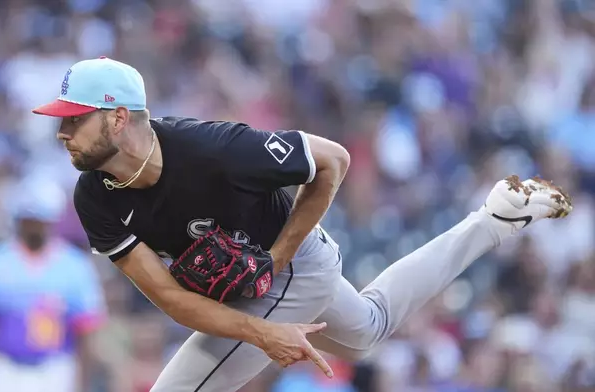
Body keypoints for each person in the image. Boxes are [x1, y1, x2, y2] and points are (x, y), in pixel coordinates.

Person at [31, 56, 573, 392]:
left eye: (74, 119)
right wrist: (263, 331)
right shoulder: (94, 196)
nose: (63, 131)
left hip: (293, 263)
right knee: (366, 329)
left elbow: (334, 159)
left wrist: (279, 257)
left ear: (118, 117)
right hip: (258, 288)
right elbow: (170, 299)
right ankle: (494, 219)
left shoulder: (214, 149)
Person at [0, 177, 106, 392]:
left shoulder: (74, 266)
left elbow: (85, 333)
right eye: (29, 219)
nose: (35, 227)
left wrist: (82, 385)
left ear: (51, 220)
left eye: (40, 220)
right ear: (20, 220)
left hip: (55, 369)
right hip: (5, 368)